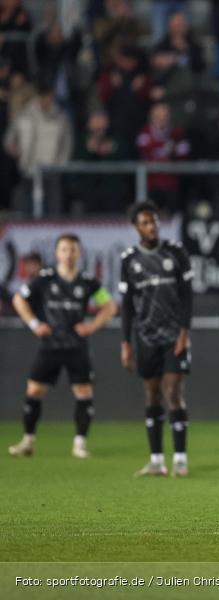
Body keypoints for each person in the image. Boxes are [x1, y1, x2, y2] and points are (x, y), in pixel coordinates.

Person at [8, 234, 116, 459]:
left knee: (84, 392)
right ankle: (28, 441)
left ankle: (79, 444)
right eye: (64, 250)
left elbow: (109, 305)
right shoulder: (45, 278)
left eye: (73, 250)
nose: (68, 254)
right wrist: (35, 323)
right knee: (34, 390)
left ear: (79, 253)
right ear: (57, 253)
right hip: (51, 344)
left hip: (77, 345)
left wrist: (92, 326)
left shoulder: (88, 281)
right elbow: (19, 299)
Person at [120, 201, 194, 477]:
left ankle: (181, 459)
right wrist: (126, 343)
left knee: (173, 391)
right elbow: (127, 304)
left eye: (155, 221)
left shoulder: (175, 253)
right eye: (146, 223)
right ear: (136, 227)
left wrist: (185, 333)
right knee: (152, 395)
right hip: (146, 337)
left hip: (174, 334)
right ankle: (155, 461)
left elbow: (187, 296)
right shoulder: (129, 260)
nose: (152, 227)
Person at [3, 83, 73, 215]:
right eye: (44, 96)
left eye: (50, 97)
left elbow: (67, 144)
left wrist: (61, 165)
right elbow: (9, 140)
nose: (47, 100)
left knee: (52, 212)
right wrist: (15, 151)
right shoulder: (24, 115)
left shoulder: (60, 117)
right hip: (28, 169)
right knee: (27, 211)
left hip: (51, 171)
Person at [136, 102, 190, 214]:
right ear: (151, 118)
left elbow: (184, 152)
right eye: (158, 116)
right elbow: (146, 152)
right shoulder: (144, 133)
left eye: (164, 116)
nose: (161, 119)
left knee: (174, 219)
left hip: (172, 184)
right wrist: (167, 148)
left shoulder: (177, 133)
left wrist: (164, 150)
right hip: (151, 185)